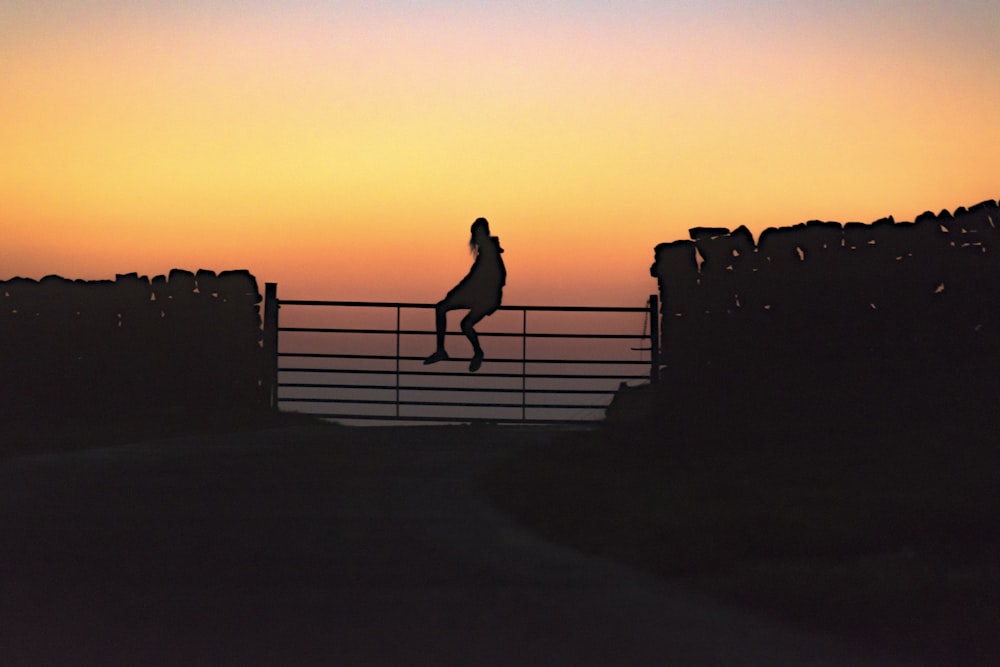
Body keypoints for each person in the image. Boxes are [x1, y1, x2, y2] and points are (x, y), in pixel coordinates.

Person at [424, 217, 506, 372]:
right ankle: (475, 352)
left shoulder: (488, 251)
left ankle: (443, 351)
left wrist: (455, 293)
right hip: (484, 297)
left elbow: (477, 278)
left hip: (484, 298)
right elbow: (477, 277)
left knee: (442, 309)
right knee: (463, 323)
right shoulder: (488, 250)